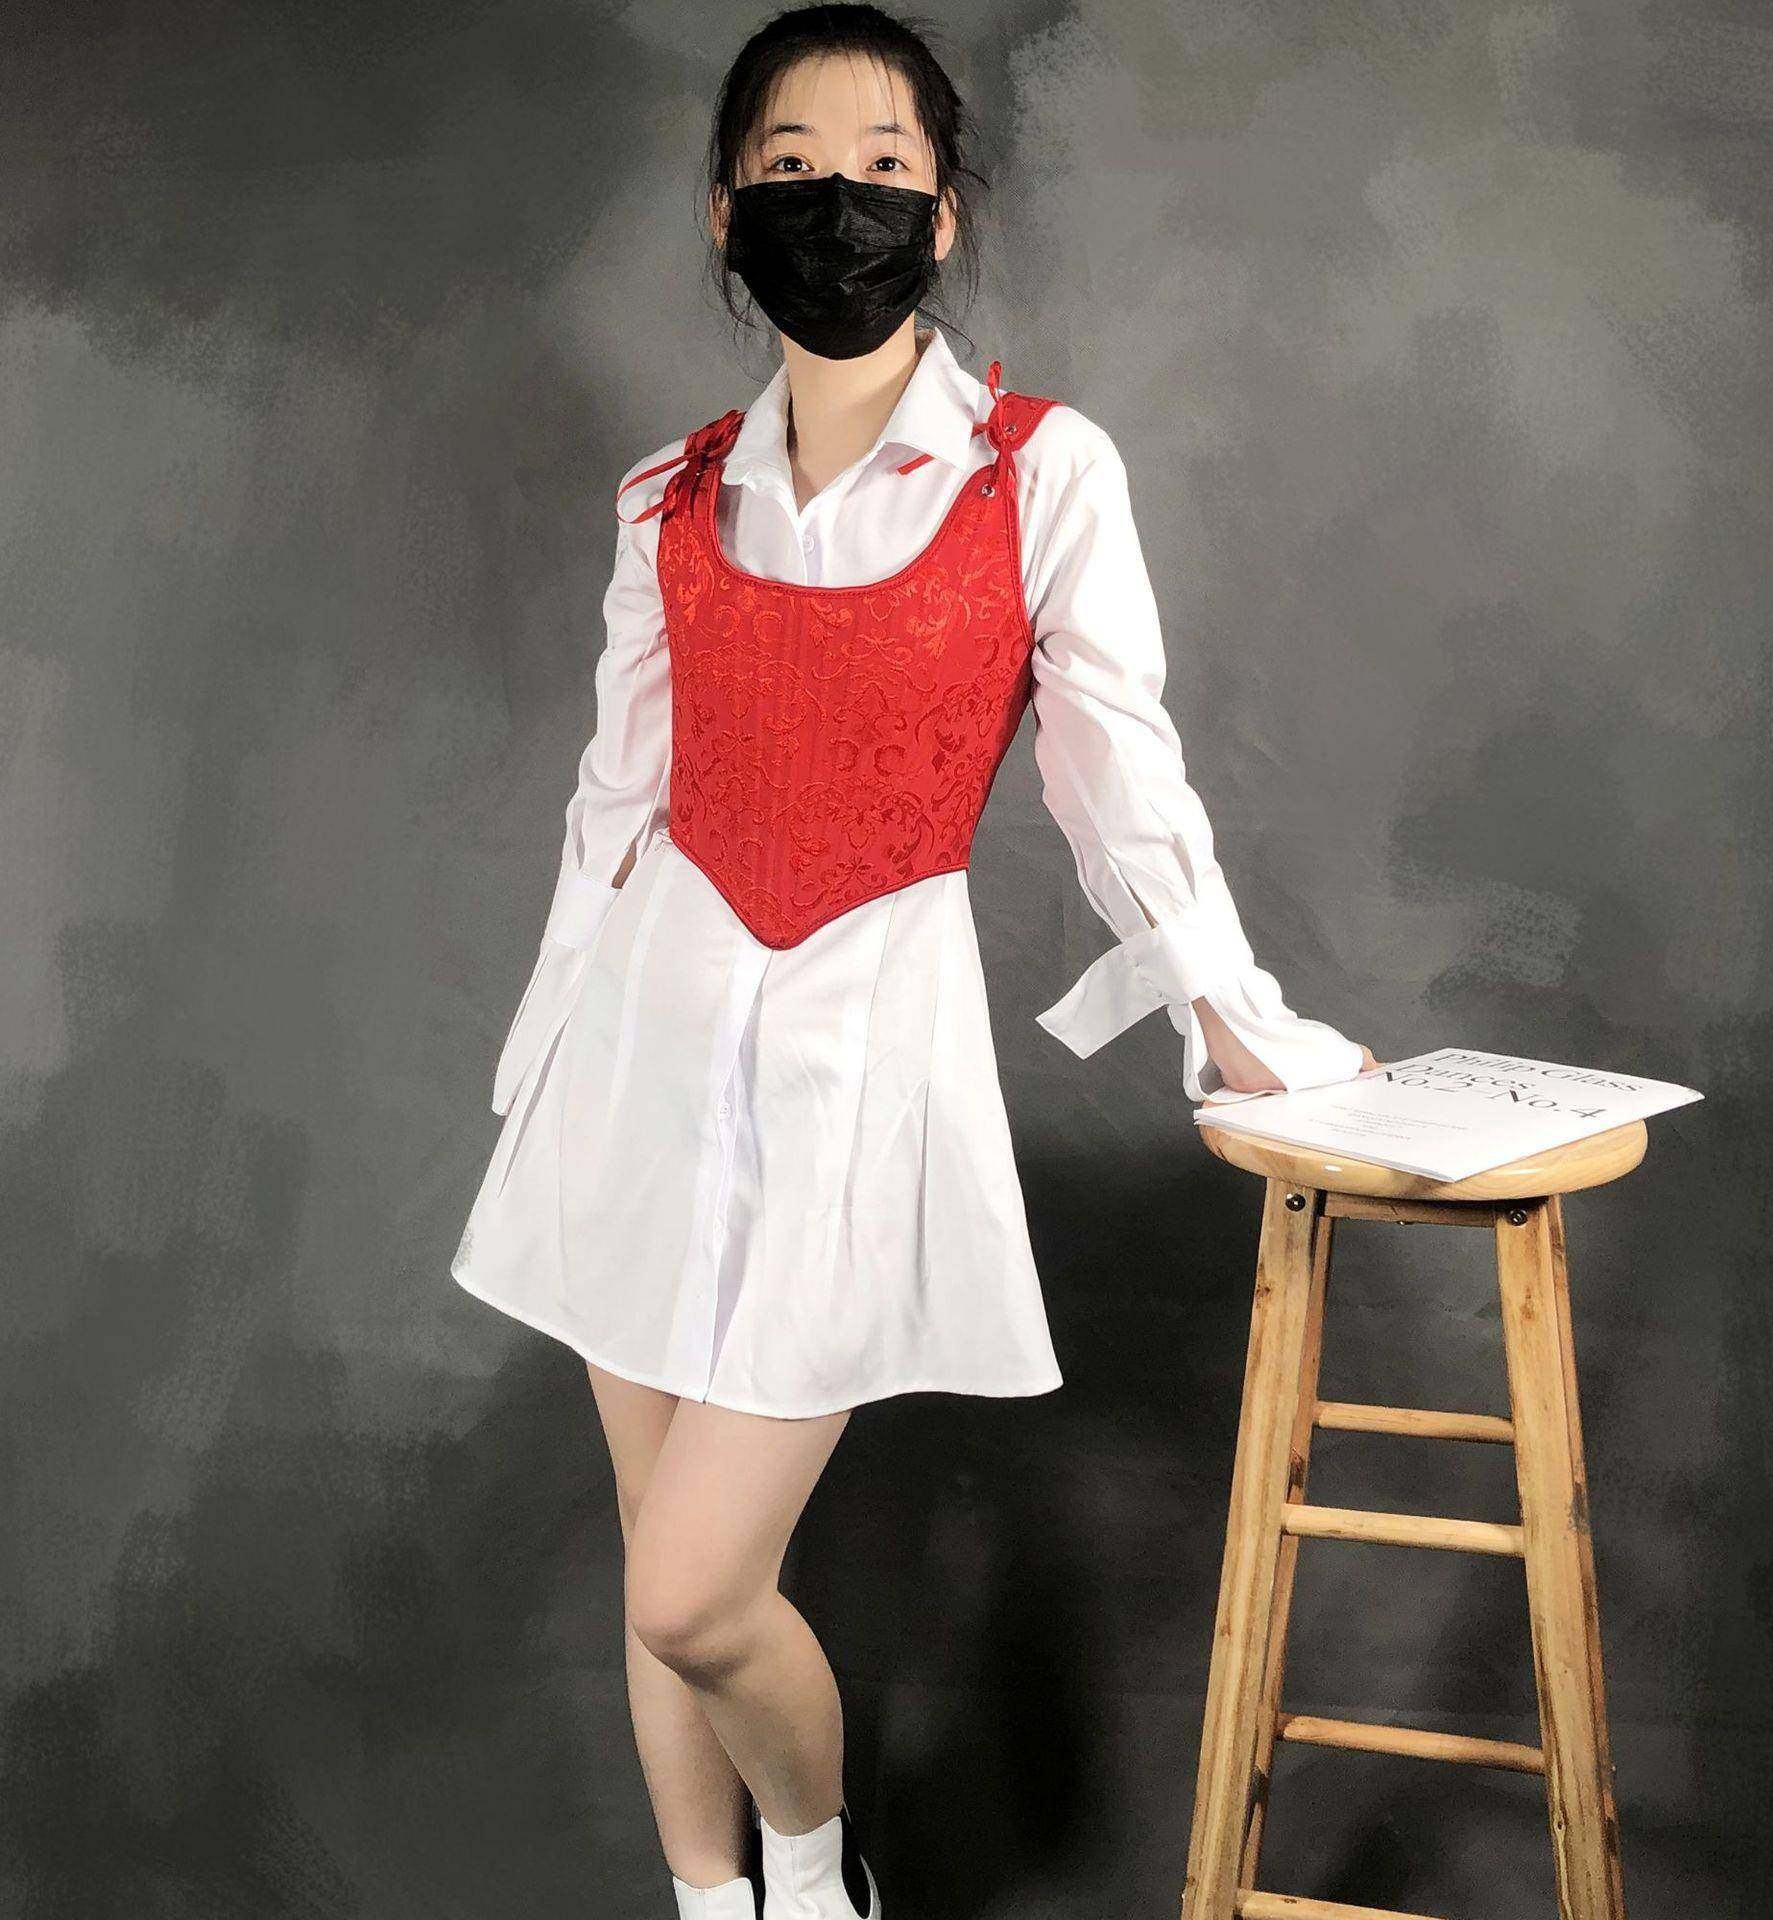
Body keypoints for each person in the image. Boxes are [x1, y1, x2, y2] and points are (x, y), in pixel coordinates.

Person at [451, 6, 1376, 1915]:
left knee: (694, 1591)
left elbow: (1121, 781)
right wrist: (536, 1064)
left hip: (858, 1062)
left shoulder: (1042, 473)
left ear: (943, 213)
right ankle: (711, 1905)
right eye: (790, 166)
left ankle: (814, 1873)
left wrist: (1237, 1023)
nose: (838, 203)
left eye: (882, 166)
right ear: (728, 210)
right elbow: (612, 807)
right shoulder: (666, 499)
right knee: (651, 1542)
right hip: (637, 1060)